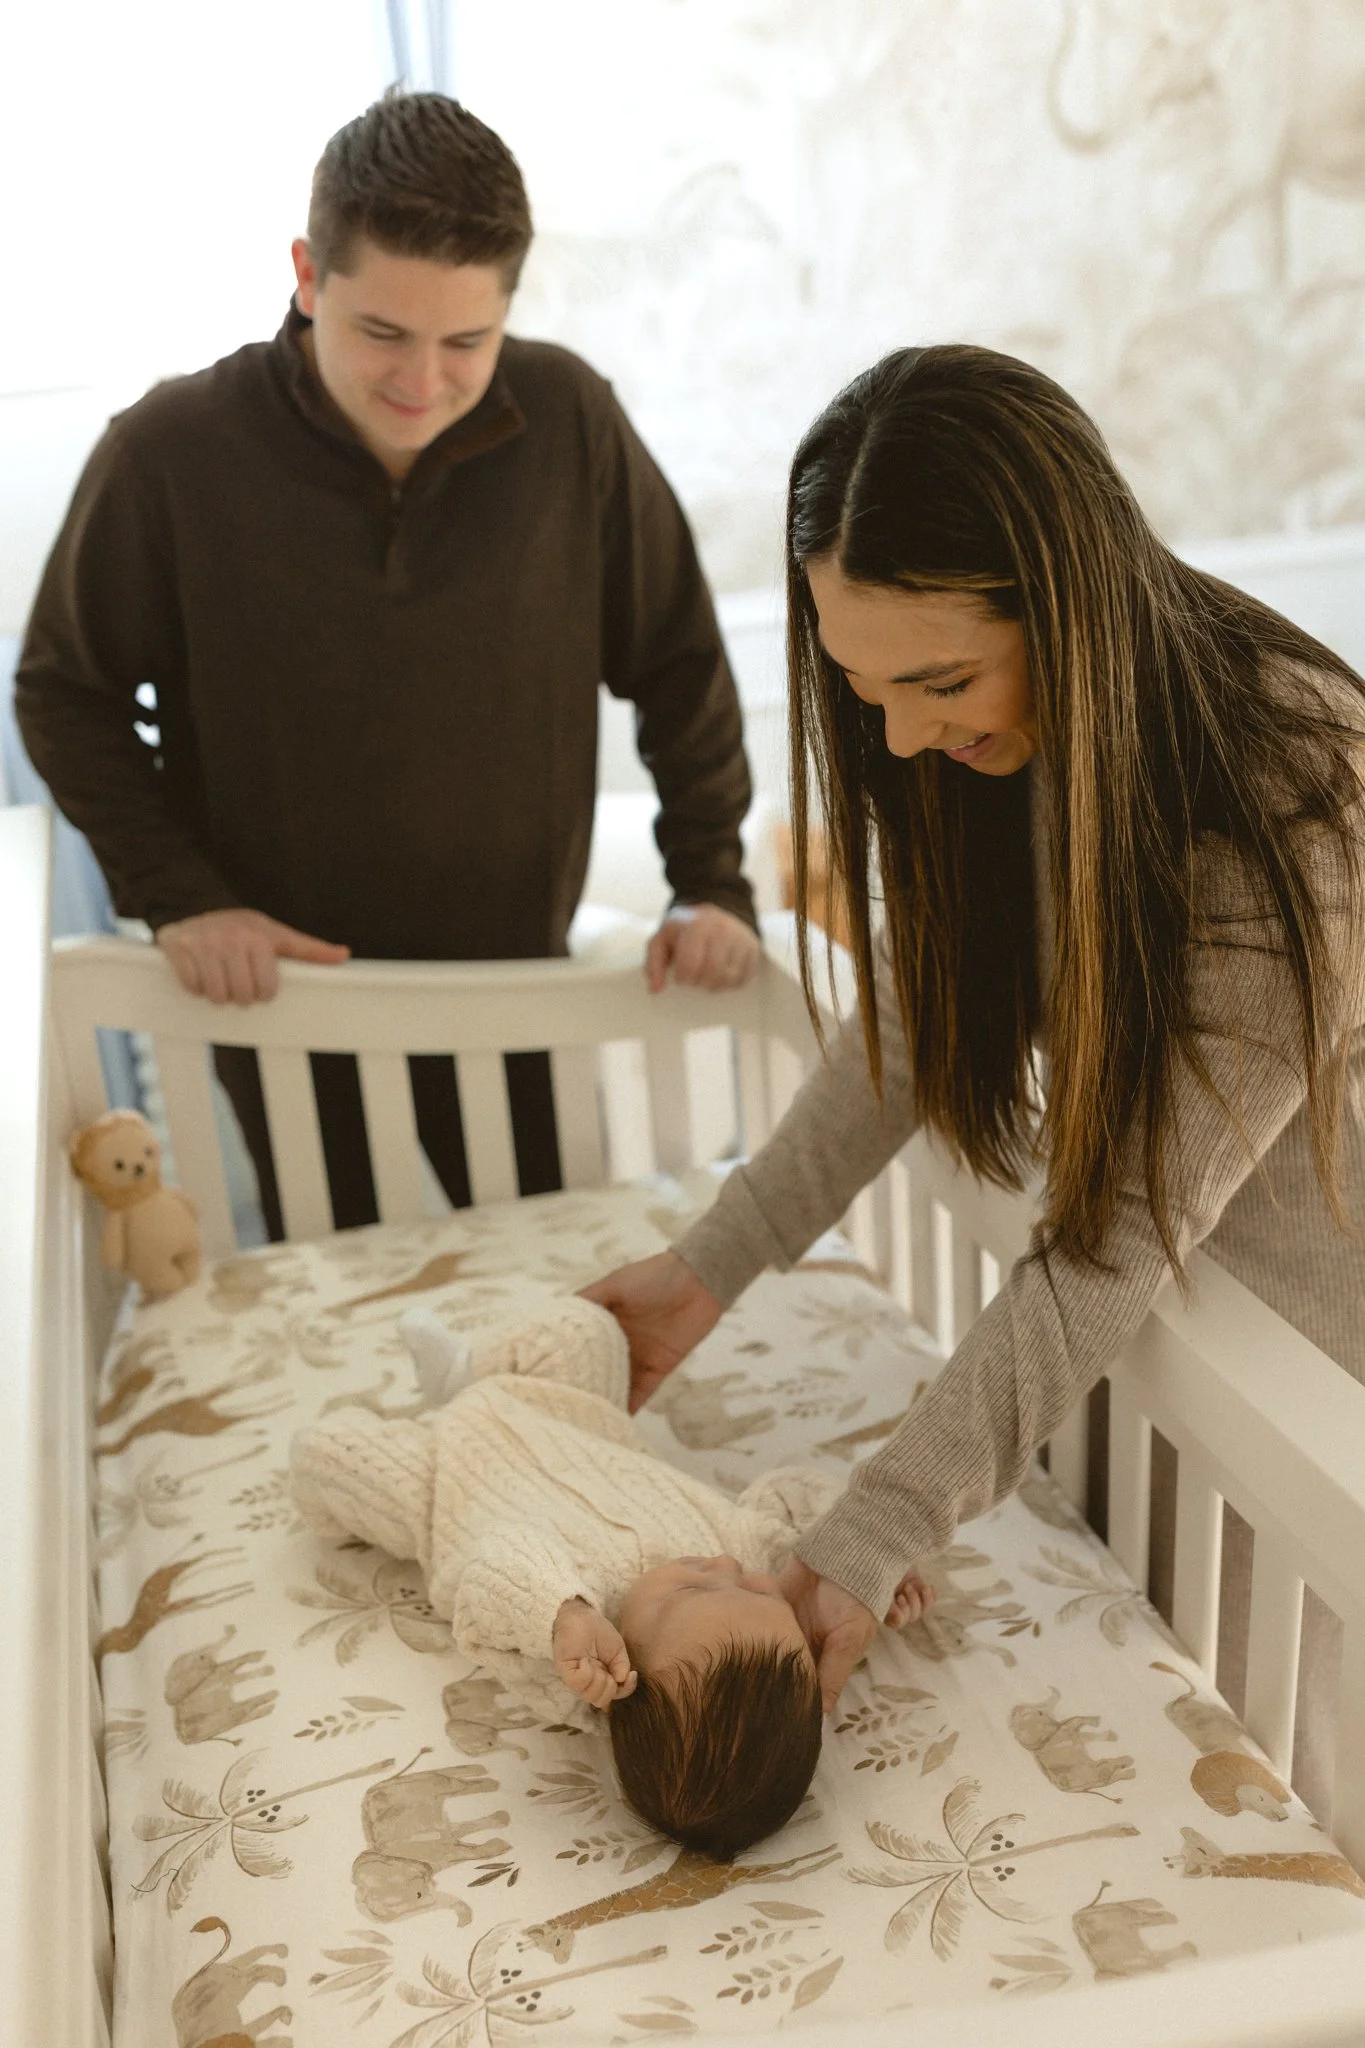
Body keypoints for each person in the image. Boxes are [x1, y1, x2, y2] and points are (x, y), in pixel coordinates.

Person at [583, 343, 1365, 1736]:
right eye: (862, 686)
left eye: (936, 681)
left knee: (1291, 1743)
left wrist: (874, 1522)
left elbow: (1120, 1235)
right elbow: (924, 1020)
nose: (892, 734)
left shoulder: (1290, 794)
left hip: (1314, 1364)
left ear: (1063, 608)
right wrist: (712, 1265)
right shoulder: (979, 742)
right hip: (1174, 1322)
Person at [15, 91, 760, 1237]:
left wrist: (709, 877)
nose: (424, 379)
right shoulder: (169, 453)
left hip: (521, 987)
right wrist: (182, 898)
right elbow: (63, 692)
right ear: (309, 275)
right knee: (337, 1284)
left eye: (467, 340)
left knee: (553, 1278)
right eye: (383, 333)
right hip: (291, 1000)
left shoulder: (570, 420)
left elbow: (678, 660)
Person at [289, 1295, 930, 1858]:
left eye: (693, 1587)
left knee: (326, 1455)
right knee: (587, 1329)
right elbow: (785, 1496)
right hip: (572, 1418)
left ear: (623, 1672)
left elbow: (490, 1574)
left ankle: (448, 1398)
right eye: (763, 1596)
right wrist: (868, 1561)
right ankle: (467, 1371)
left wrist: (560, 1614)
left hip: (442, 1481)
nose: (728, 1568)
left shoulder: (570, 1666)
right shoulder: (752, 1568)